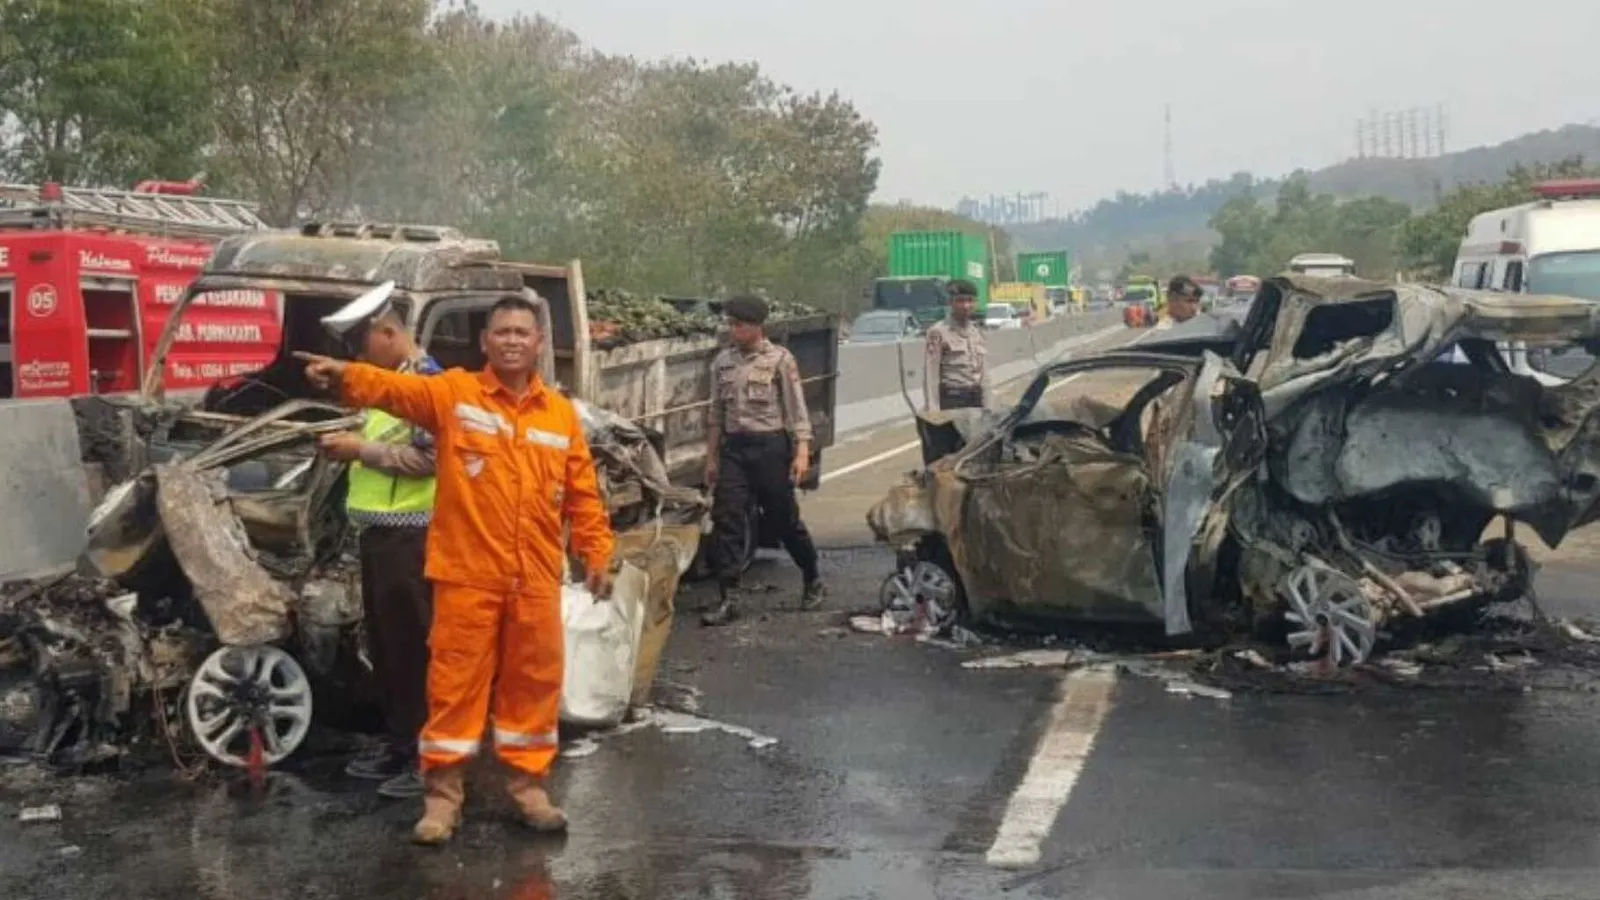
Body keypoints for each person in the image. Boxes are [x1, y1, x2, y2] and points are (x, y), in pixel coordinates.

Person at [296, 289, 615, 846]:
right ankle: (442, 800)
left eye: (523, 332)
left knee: (532, 687)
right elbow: (398, 388)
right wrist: (346, 375)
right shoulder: (455, 394)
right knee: (453, 688)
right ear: (484, 342)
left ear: (540, 344)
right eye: (503, 332)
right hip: (467, 574)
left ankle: (529, 789)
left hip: (535, 578)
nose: (513, 341)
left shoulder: (560, 415)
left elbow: (582, 492)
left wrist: (595, 550)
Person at [316, 286, 442, 800]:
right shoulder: (389, 384)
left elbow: (431, 459)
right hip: (381, 533)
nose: (359, 359)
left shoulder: (428, 384)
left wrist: (359, 451)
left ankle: (430, 756)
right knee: (388, 650)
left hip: (413, 534)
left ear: (389, 334)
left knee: (416, 649)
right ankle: (399, 742)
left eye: (363, 346)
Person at [702, 295, 824, 627]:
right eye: (731, 324)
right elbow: (715, 413)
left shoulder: (780, 360)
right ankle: (729, 596)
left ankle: (811, 576)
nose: (734, 330)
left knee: (783, 520)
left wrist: (801, 452)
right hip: (735, 449)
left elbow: (797, 409)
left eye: (739, 325)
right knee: (726, 518)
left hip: (770, 447)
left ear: (757, 327)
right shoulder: (722, 362)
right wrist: (711, 457)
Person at [923, 279, 988, 411]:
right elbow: (930, 375)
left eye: (970, 300)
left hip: (975, 399)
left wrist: (988, 406)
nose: (966, 306)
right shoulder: (938, 331)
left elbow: (985, 374)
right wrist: (933, 411)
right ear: (951, 302)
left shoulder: (977, 332)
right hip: (953, 400)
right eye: (960, 300)